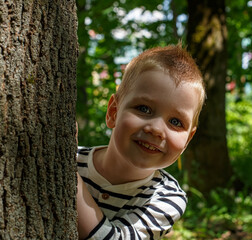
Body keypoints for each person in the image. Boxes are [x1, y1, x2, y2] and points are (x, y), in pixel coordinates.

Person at [76, 44, 206, 240]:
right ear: (113, 112)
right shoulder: (74, 158)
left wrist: (67, 174)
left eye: (176, 122)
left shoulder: (167, 198)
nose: (156, 129)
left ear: (187, 139)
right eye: (144, 109)